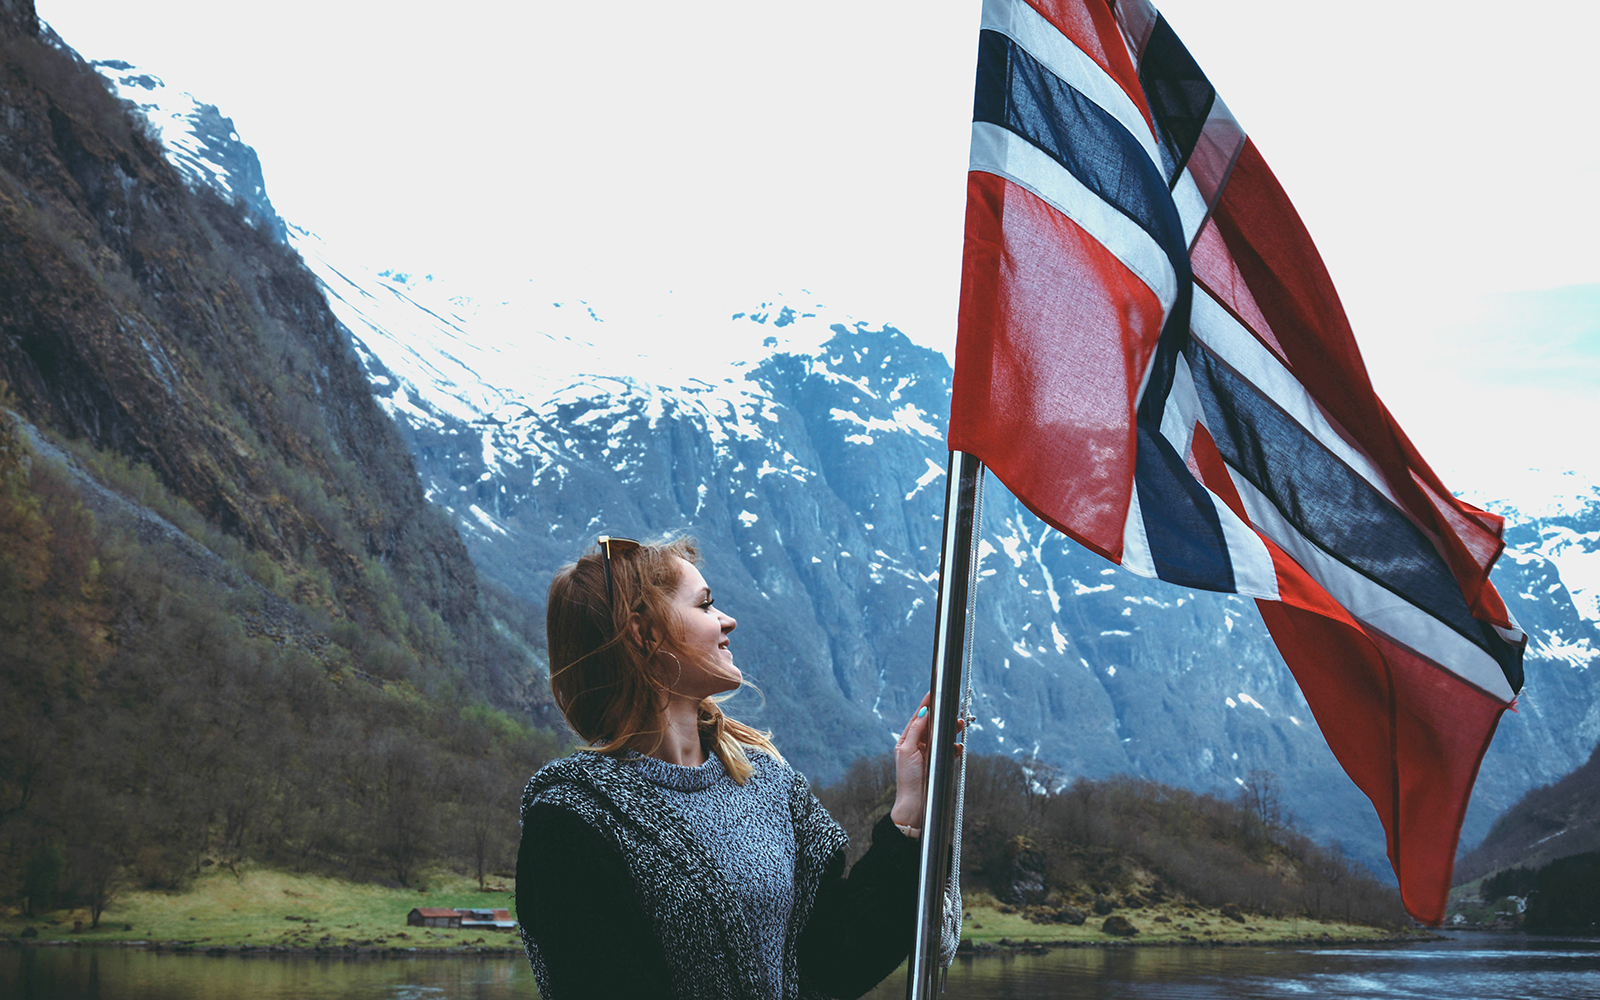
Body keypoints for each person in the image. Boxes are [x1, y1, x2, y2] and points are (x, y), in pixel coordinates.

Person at [516, 534, 935, 1000]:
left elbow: (839, 956)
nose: (727, 620)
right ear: (644, 632)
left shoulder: (767, 784)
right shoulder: (572, 818)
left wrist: (908, 815)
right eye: (705, 605)